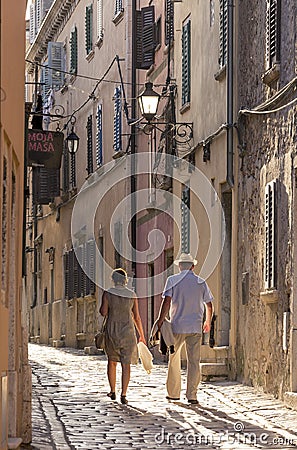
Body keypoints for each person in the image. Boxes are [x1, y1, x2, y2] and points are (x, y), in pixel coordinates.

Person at [157, 253, 214, 404]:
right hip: (195, 326)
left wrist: (160, 320)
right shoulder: (200, 282)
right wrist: (207, 321)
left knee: (173, 359)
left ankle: (174, 393)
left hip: (177, 325)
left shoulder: (172, 280)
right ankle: (192, 395)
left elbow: (167, 302)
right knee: (194, 361)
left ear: (179, 266)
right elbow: (209, 304)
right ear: (193, 266)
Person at [99, 268, 146, 405]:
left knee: (112, 361)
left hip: (112, 331)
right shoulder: (132, 294)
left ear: (113, 280)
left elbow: (103, 312)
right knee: (126, 364)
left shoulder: (108, 294)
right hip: (128, 332)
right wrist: (141, 335)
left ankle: (112, 390)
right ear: (125, 280)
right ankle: (124, 394)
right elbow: (136, 317)